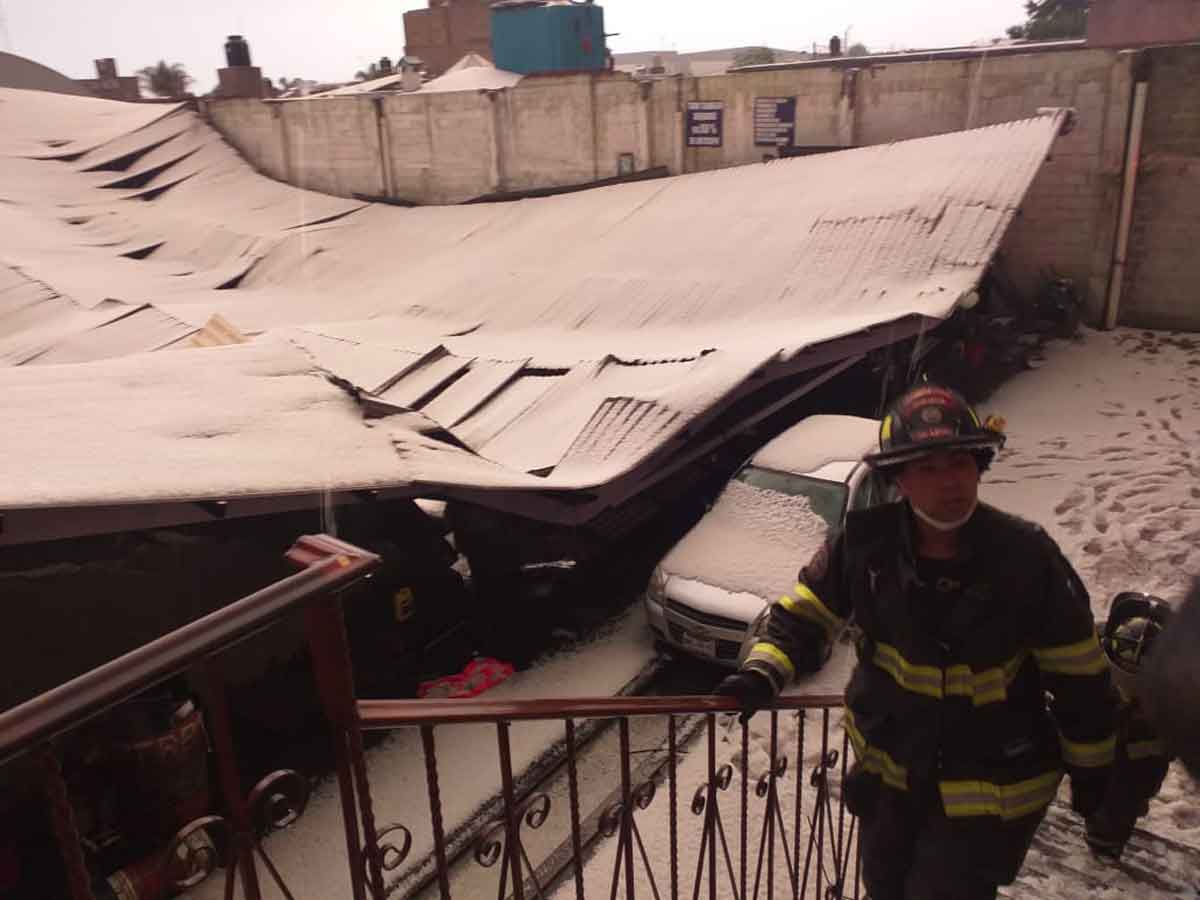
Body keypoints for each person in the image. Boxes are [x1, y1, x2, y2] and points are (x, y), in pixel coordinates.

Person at [716, 383, 1119, 900]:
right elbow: (806, 614)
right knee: (884, 886)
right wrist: (763, 671)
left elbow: (1080, 676)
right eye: (927, 468)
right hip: (892, 778)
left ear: (979, 464)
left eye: (959, 462)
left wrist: (1093, 769)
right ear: (899, 479)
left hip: (987, 792)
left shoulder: (1028, 558)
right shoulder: (866, 547)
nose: (949, 482)